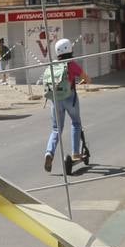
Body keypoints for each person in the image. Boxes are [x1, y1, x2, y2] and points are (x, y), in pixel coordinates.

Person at [40, 38, 90, 172]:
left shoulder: (53, 64)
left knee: (56, 129)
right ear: (70, 49)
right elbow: (86, 77)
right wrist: (85, 81)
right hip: (69, 97)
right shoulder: (71, 64)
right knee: (76, 123)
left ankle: (49, 153)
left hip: (55, 100)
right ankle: (75, 153)